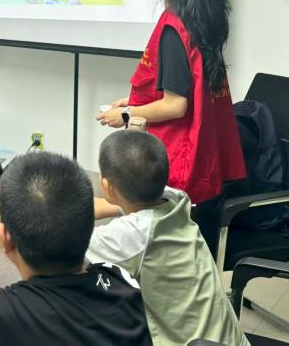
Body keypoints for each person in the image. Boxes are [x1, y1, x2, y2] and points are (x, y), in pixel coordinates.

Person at [94, 0, 245, 241]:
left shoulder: (174, 27)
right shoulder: (203, 17)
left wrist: (126, 114)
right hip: (206, 157)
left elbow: (176, 105)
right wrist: (135, 101)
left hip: (180, 164)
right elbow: (190, 87)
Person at [0, 152, 152, 346]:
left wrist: (5, 297)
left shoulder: (6, 314)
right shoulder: (123, 285)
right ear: (89, 230)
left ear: (5, 239)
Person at [86, 130, 247, 346]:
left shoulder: (133, 235)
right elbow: (116, 206)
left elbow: (63, 244)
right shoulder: (175, 199)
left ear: (106, 186)